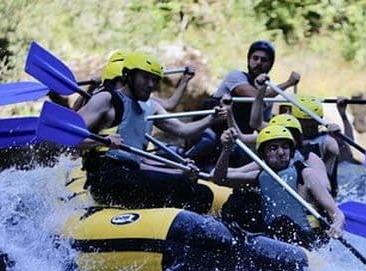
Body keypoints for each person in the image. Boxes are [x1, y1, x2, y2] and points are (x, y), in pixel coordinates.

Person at [77, 51, 226, 212]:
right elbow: (71, 137)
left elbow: (183, 130)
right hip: (106, 178)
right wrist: (101, 141)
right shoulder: (106, 99)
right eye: (145, 78)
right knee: (193, 192)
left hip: (131, 174)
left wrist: (211, 119)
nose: (150, 85)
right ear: (129, 75)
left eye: (154, 80)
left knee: (200, 191)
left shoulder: (150, 106)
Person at [211, 124, 345, 250]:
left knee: (282, 223)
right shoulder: (261, 177)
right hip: (274, 239)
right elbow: (220, 179)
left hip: (307, 239)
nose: (281, 152)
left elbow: (337, 213)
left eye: (285, 147)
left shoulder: (305, 174)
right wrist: (226, 149)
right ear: (263, 155)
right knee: (240, 201)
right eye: (273, 148)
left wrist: (336, 226)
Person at [186, 40, 301, 167]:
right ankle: (186, 160)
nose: (258, 63)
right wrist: (288, 83)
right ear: (248, 60)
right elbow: (254, 96)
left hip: (234, 138)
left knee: (248, 153)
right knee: (208, 141)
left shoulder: (270, 95)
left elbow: (257, 125)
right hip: (208, 130)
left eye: (264, 60)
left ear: (270, 65)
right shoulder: (236, 76)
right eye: (255, 58)